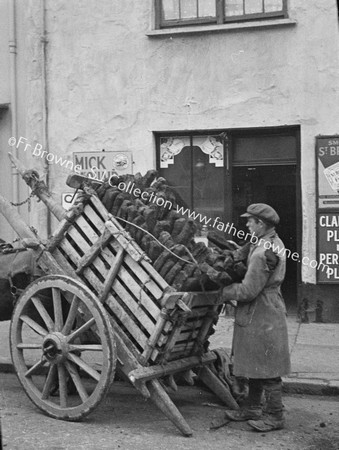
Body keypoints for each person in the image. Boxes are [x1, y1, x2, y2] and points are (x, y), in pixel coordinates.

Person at [222, 203, 291, 432]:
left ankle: (275, 415)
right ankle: (252, 407)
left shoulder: (263, 253)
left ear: (261, 224)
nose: (247, 224)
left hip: (261, 312)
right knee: (256, 362)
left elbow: (247, 291)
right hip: (266, 308)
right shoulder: (270, 242)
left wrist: (221, 292)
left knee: (268, 367)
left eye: (250, 221)